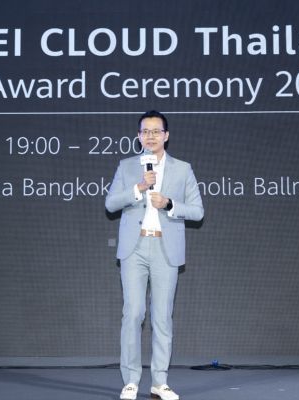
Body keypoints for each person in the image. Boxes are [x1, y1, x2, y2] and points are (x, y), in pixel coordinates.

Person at [105, 110, 204, 400]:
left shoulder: (182, 169)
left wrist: (169, 203)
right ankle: (130, 381)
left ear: (166, 135)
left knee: (162, 317)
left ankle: (159, 382)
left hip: (165, 249)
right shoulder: (126, 167)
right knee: (133, 313)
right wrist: (138, 188)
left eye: (156, 131)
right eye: (145, 131)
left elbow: (197, 211)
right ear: (138, 136)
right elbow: (110, 203)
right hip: (134, 249)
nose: (150, 136)